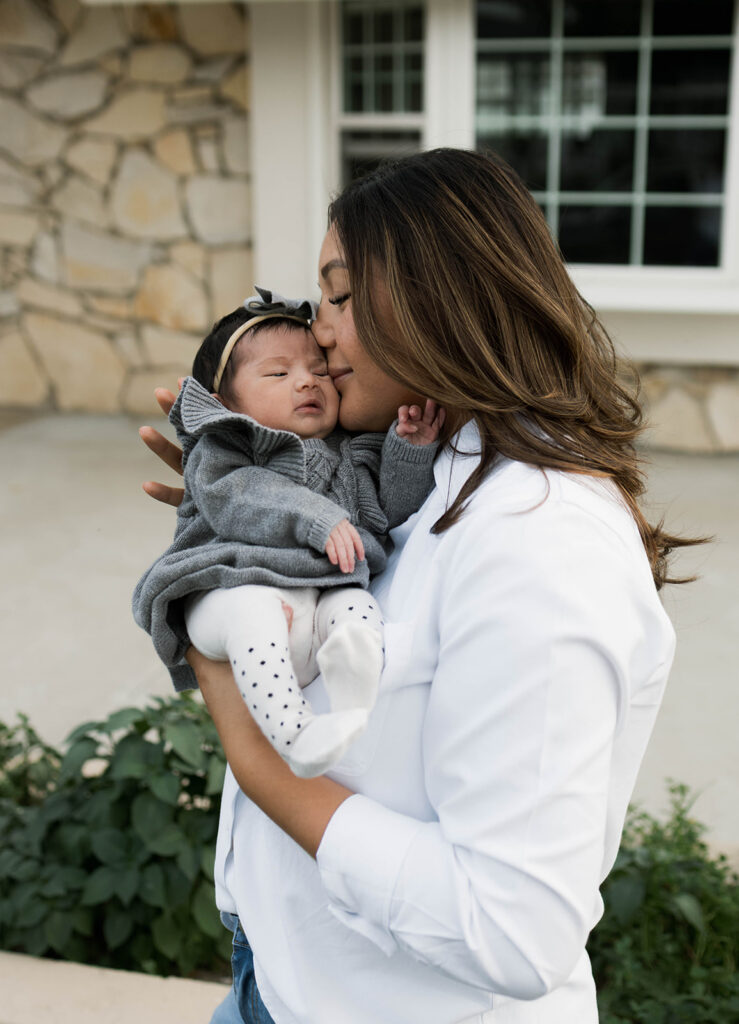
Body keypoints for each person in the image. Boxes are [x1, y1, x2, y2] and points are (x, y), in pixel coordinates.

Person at [140, 148, 693, 1024]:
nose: (316, 332)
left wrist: (249, 750)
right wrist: (248, 518)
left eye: (340, 295)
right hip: (283, 985)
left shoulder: (538, 541)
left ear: (442, 292)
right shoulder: (427, 474)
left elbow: (511, 932)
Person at [133, 290, 441, 778]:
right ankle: (297, 734)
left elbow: (385, 514)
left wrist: (410, 451)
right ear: (223, 403)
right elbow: (235, 495)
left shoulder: (351, 450)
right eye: (278, 374)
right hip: (231, 590)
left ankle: (352, 692)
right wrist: (317, 518)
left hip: (314, 608)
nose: (306, 382)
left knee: (356, 605)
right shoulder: (228, 446)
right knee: (253, 610)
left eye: (319, 371)